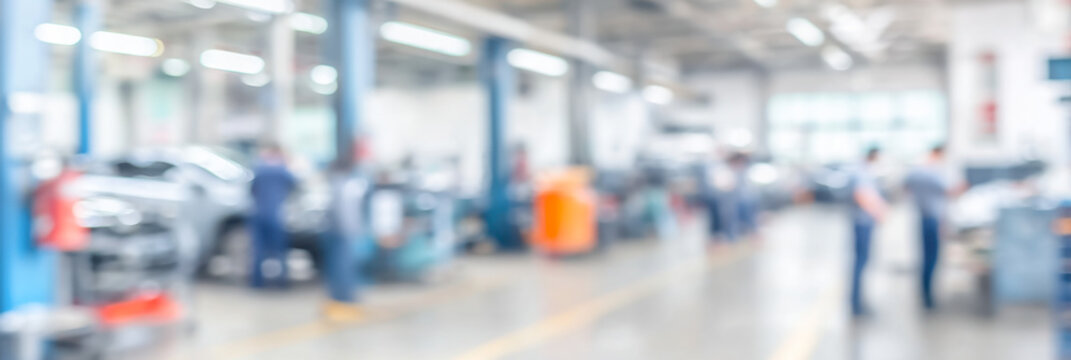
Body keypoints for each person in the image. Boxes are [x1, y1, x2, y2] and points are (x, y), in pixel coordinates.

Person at [904, 145, 960, 310]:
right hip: (933, 219)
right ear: (938, 153)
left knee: (925, 257)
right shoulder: (933, 172)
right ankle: (928, 298)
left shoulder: (915, 171)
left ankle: (925, 294)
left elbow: (906, 187)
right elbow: (949, 191)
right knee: (931, 258)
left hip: (923, 216)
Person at [249, 143, 297, 288]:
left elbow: (252, 189)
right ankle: (282, 282)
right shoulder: (282, 170)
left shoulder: (259, 168)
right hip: (276, 215)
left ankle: (257, 282)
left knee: (258, 250)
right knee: (279, 251)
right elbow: (295, 185)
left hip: (258, 213)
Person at [848, 147, 888, 316]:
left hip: (864, 222)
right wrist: (878, 212)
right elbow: (861, 195)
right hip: (862, 223)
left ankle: (858, 302)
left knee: (863, 261)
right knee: (860, 261)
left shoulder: (865, 171)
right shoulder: (861, 172)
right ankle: (856, 304)